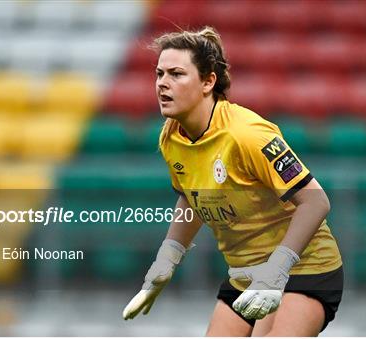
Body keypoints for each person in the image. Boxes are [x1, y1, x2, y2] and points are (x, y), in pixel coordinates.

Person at [122, 26, 343, 337]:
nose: (162, 83)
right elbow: (191, 196)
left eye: (176, 74)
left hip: (303, 268)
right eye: (159, 74)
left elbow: (316, 201)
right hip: (244, 275)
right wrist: (167, 259)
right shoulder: (171, 136)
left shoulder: (247, 134)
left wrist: (277, 270)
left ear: (208, 82)